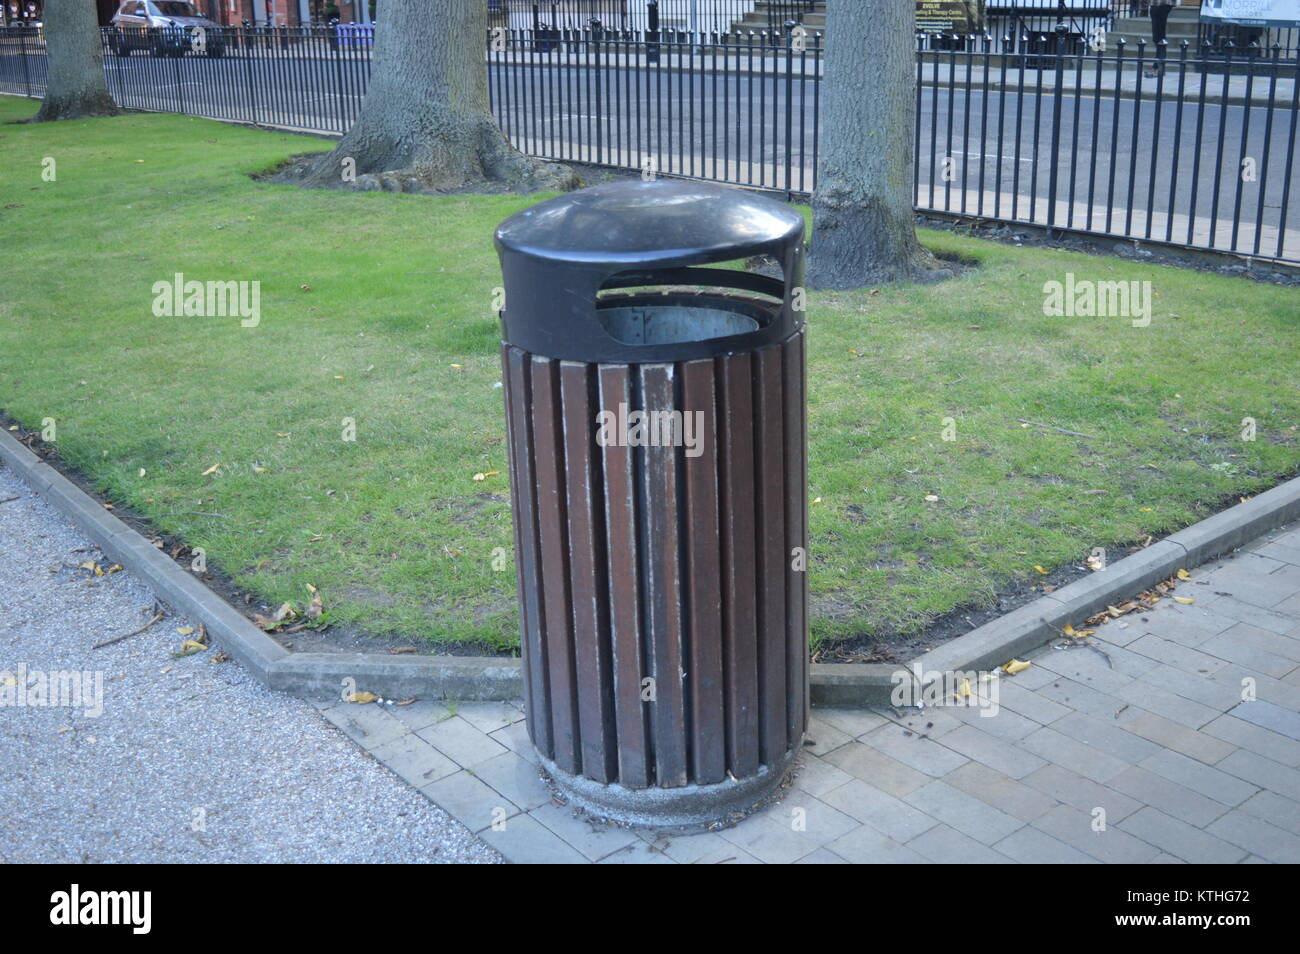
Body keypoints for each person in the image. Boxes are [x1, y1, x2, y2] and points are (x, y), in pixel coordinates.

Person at [1145, 0, 1176, 77]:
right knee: (1156, 37)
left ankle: (1158, 68)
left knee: (1160, 37)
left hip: (1163, 4)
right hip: (1154, 5)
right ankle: (1159, 67)